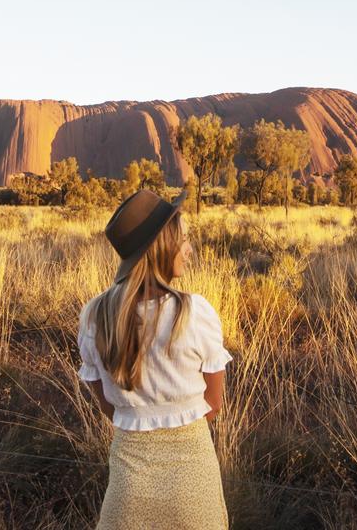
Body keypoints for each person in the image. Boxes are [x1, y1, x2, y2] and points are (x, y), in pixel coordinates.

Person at [77, 187, 233, 529]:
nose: (189, 250)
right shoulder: (195, 313)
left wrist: (138, 414)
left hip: (130, 486)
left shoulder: (95, 315)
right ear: (161, 246)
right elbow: (214, 403)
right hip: (193, 482)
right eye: (184, 240)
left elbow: (105, 403)